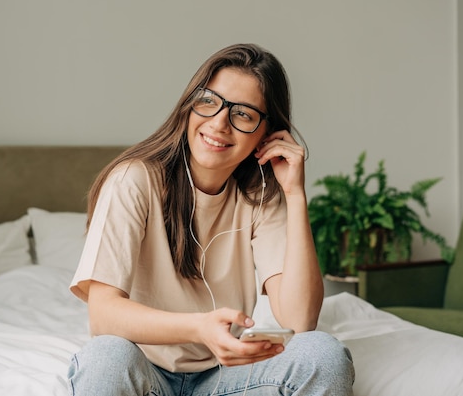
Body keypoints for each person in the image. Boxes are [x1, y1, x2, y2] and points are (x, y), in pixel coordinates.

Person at [68, 43, 354, 395]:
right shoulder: (135, 180)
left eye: (244, 114)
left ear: (265, 135)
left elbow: (299, 321)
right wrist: (200, 328)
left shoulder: (262, 197)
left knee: (324, 354)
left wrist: (295, 195)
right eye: (209, 101)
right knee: (104, 356)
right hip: (144, 374)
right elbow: (103, 315)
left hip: (223, 377)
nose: (219, 123)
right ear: (190, 105)